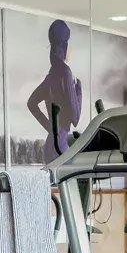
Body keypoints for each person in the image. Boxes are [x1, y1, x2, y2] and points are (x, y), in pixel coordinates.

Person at [25, 18, 82, 161]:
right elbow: (75, 118)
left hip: (50, 145)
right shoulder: (65, 72)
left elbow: (31, 103)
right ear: (64, 46)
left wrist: (50, 128)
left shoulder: (51, 76)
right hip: (60, 147)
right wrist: (78, 91)